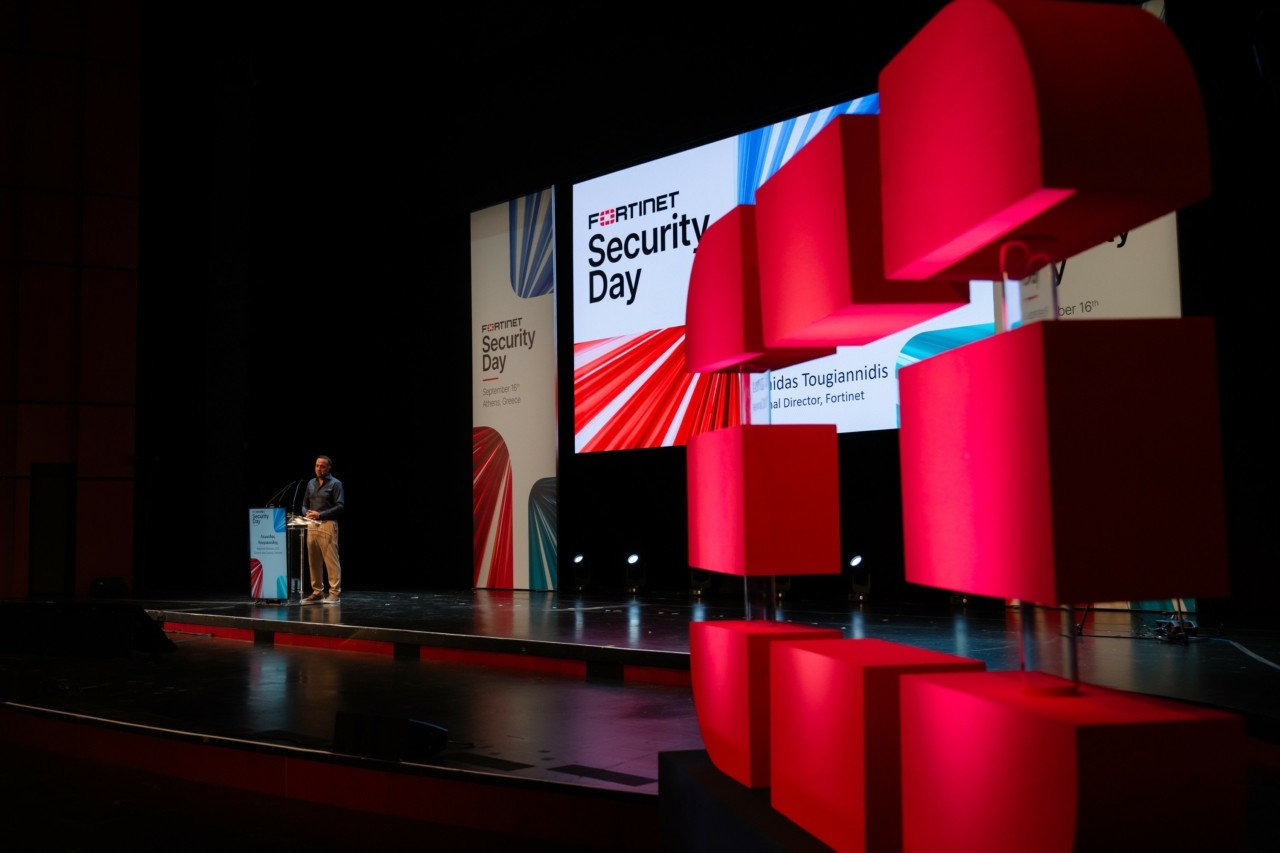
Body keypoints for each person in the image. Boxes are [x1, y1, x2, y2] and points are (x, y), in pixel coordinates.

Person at [300, 455, 344, 605]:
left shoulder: (335, 484)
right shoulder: (311, 483)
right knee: (314, 560)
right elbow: (304, 504)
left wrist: (320, 514)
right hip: (311, 524)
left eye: (322, 466)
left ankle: (334, 593)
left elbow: (340, 506)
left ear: (329, 467)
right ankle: (317, 592)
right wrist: (306, 513)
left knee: (331, 560)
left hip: (328, 524)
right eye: (317, 466)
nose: (319, 469)